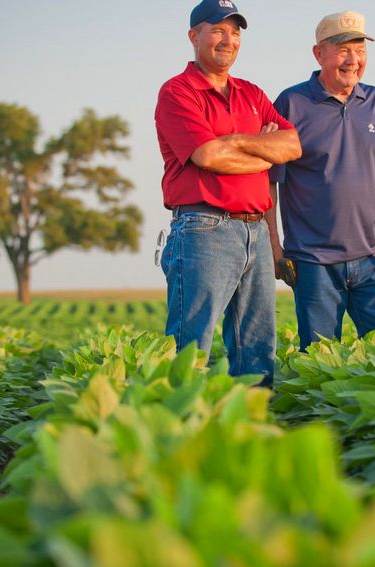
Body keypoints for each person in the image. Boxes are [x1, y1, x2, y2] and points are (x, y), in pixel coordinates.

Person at [155, 0, 301, 383]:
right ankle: (180, 432)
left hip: (256, 229)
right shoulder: (177, 92)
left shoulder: (251, 92)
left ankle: (251, 430)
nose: (229, 39)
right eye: (218, 29)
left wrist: (235, 143)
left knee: (256, 346)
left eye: (235, 32)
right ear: (194, 36)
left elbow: (293, 145)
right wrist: (259, 148)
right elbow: (207, 154)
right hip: (205, 228)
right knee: (191, 345)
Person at [267, 10, 375, 351]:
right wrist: (273, 245)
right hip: (314, 265)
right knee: (319, 367)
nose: (353, 60)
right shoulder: (291, 104)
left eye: (360, 50)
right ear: (319, 53)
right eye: (343, 49)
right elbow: (268, 181)